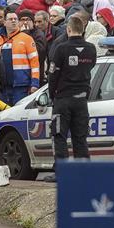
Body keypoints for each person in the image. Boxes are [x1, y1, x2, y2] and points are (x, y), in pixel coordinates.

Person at [46, 16, 97, 181]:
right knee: (80, 136)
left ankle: (62, 173)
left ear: (68, 30)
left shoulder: (61, 49)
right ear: (83, 30)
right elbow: (90, 68)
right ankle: (84, 172)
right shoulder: (91, 49)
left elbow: (53, 75)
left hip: (63, 99)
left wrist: (52, 94)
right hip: (82, 100)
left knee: (59, 135)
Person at [0, 11, 40, 105]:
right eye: (10, 19)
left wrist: (35, 83)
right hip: (4, 86)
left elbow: (35, 63)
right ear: (4, 22)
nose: (13, 21)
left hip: (21, 85)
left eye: (15, 19)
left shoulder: (27, 39)